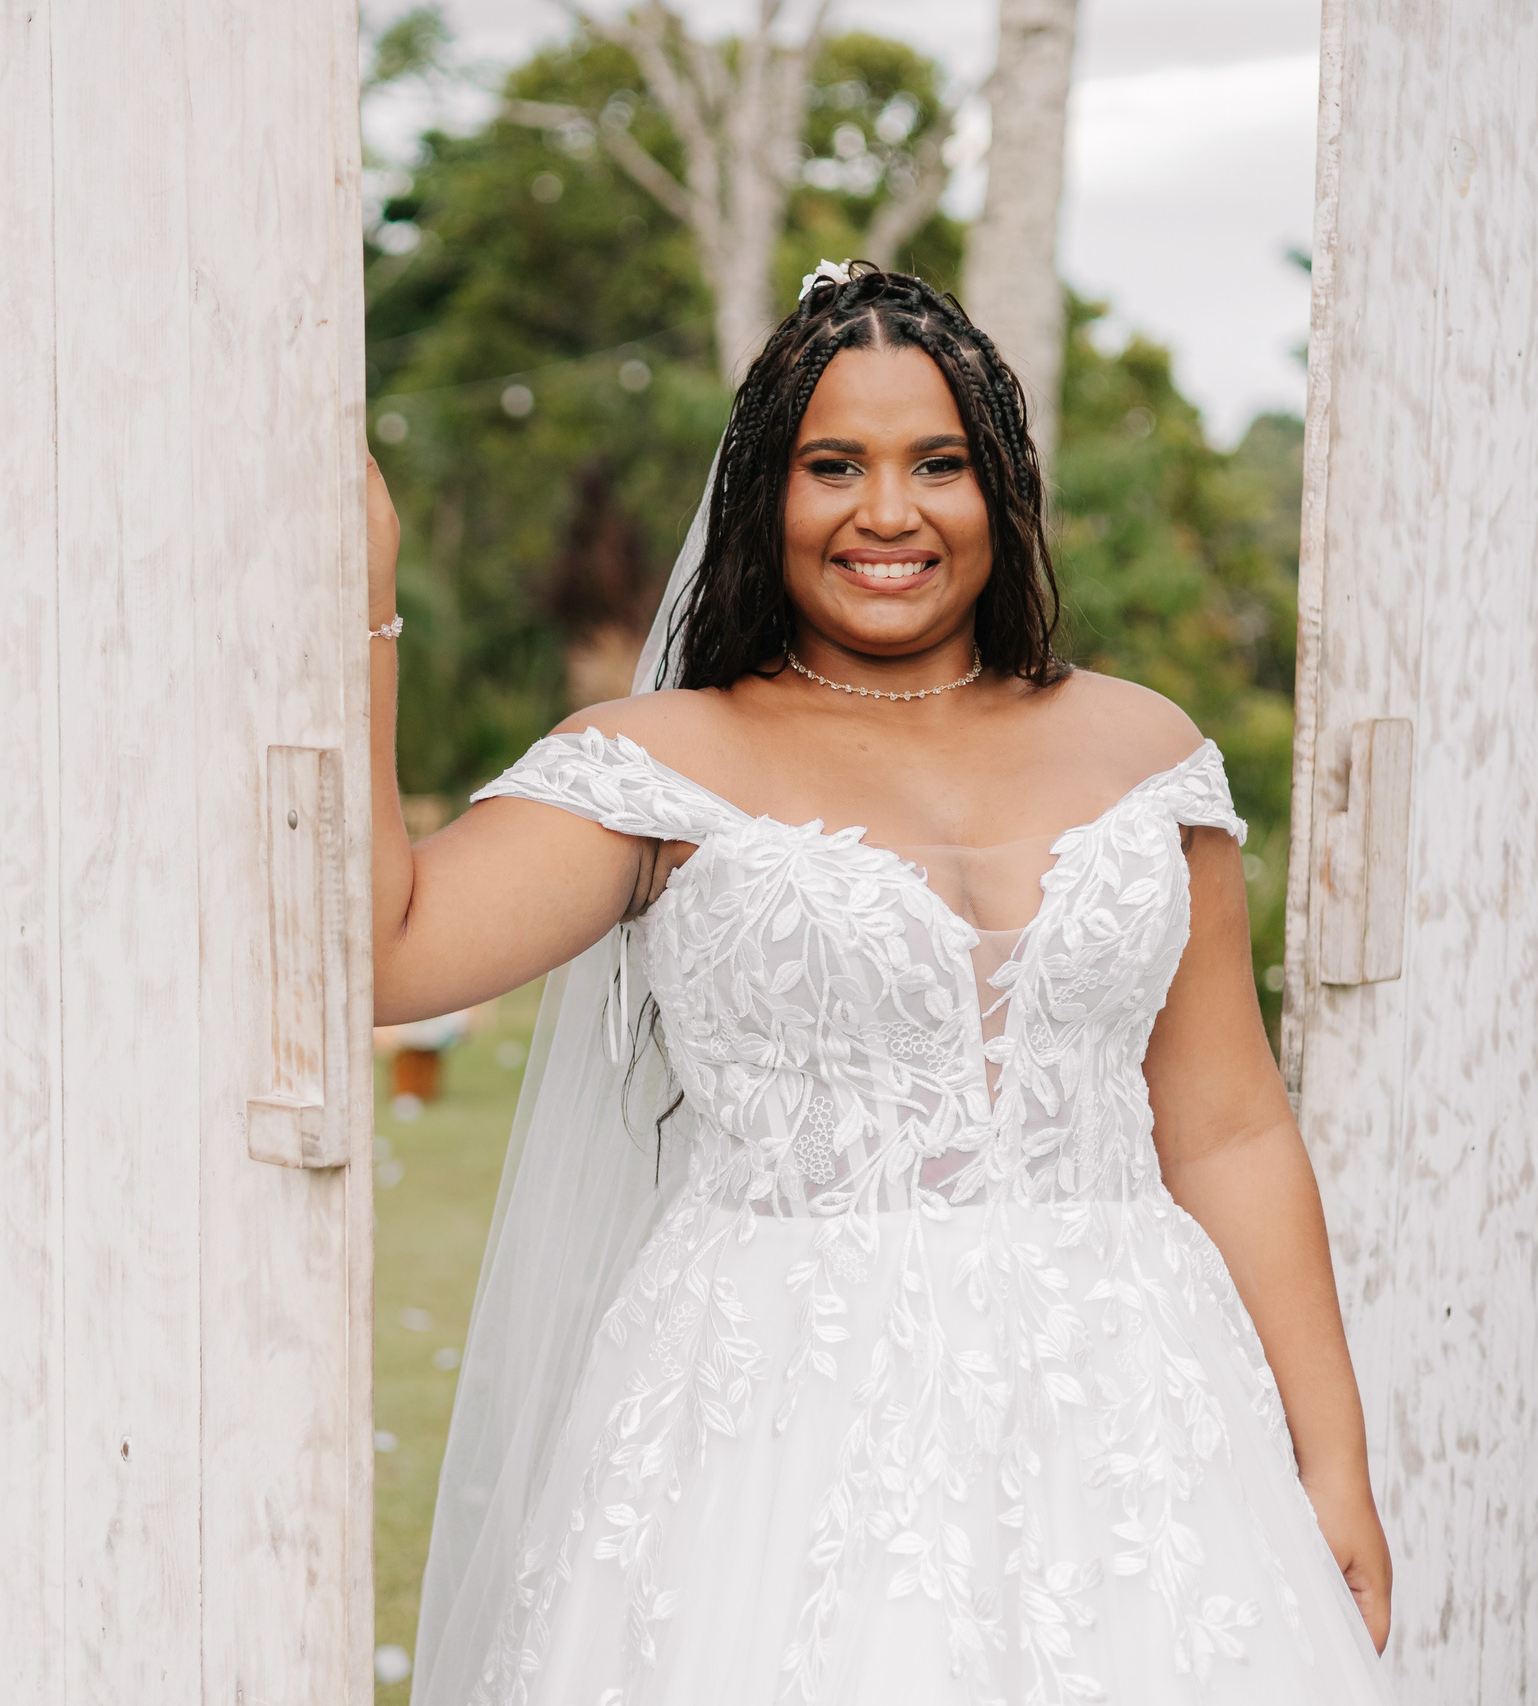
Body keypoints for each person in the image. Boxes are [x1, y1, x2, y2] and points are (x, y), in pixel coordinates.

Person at [368, 262, 1393, 1705]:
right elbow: (388, 945)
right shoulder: (662, 761)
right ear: (761, 495)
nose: (889, 512)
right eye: (832, 465)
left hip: (1135, 1426)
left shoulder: (1146, 751)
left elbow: (1228, 1129)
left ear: (1005, 488)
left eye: (939, 464)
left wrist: (1331, 1460)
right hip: (780, 1434)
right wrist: (363, 600)